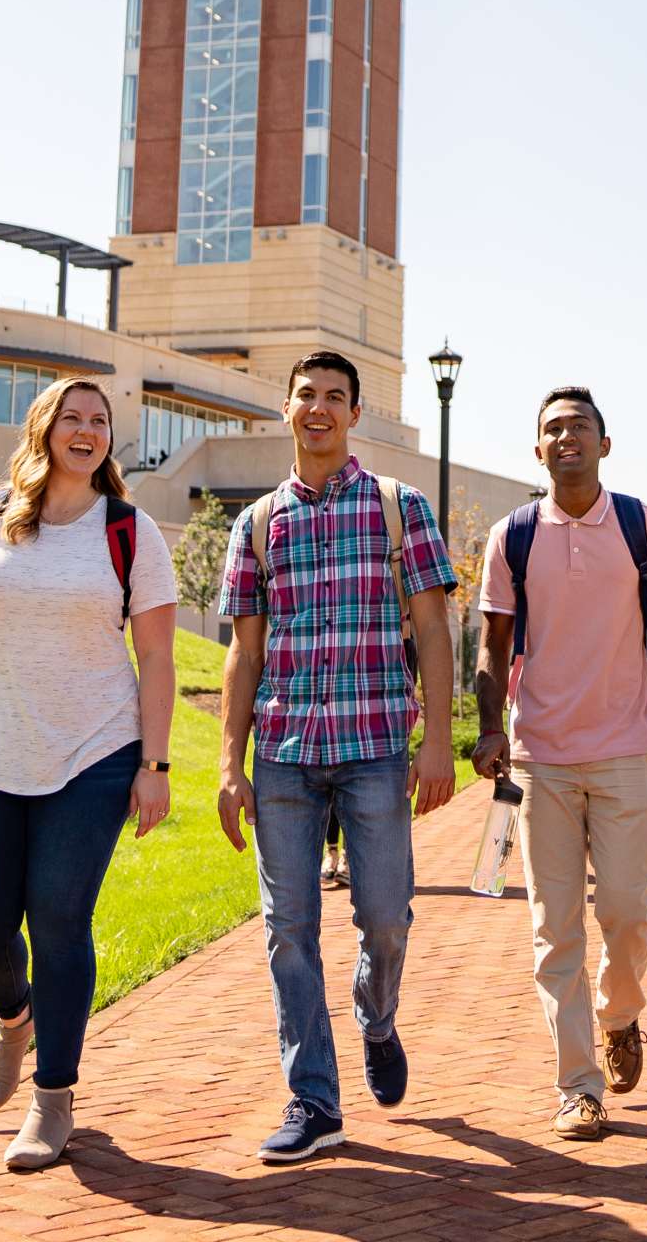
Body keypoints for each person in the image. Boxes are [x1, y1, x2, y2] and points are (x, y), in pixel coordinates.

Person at [0, 379, 176, 1172]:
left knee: (58, 919)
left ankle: (53, 1099)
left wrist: (154, 765)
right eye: (72, 418)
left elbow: (157, 656)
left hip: (92, 756)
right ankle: (13, 1017)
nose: (86, 431)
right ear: (44, 429)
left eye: (100, 421)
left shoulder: (130, 531)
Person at [213, 351, 458, 1164]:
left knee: (386, 919)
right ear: (286, 408)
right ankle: (313, 1100)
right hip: (283, 749)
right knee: (288, 932)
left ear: (354, 414)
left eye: (335, 398)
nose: (319, 408)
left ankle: (376, 1017)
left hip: (377, 746)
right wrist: (227, 763)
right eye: (306, 395)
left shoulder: (399, 507)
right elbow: (244, 656)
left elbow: (431, 630)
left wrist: (434, 743)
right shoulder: (253, 524)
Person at [472, 385, 647, 1141]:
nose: (566, 435)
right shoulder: (512, 535)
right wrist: (486, 730)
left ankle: (621, 1014)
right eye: (552, 428)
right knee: (556, 929)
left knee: (627, 912)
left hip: (623, 752)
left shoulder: (645, 528)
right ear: (537, 450)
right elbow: (492, 646)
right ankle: (579, 1086)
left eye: (579, 426)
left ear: (604, 445)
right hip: (540, 757)